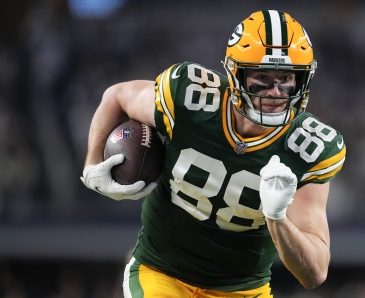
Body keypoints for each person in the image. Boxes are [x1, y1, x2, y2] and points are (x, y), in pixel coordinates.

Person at [81, 10, 346, 297]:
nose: (275, 91)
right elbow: (118, 96)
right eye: (262, 77)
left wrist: (278, 217)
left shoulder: (309, 148)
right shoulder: (189, 97)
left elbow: (315, 272)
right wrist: (92, 163)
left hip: (243, 290)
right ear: (236, 74)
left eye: (286, 78)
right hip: (161, 271)